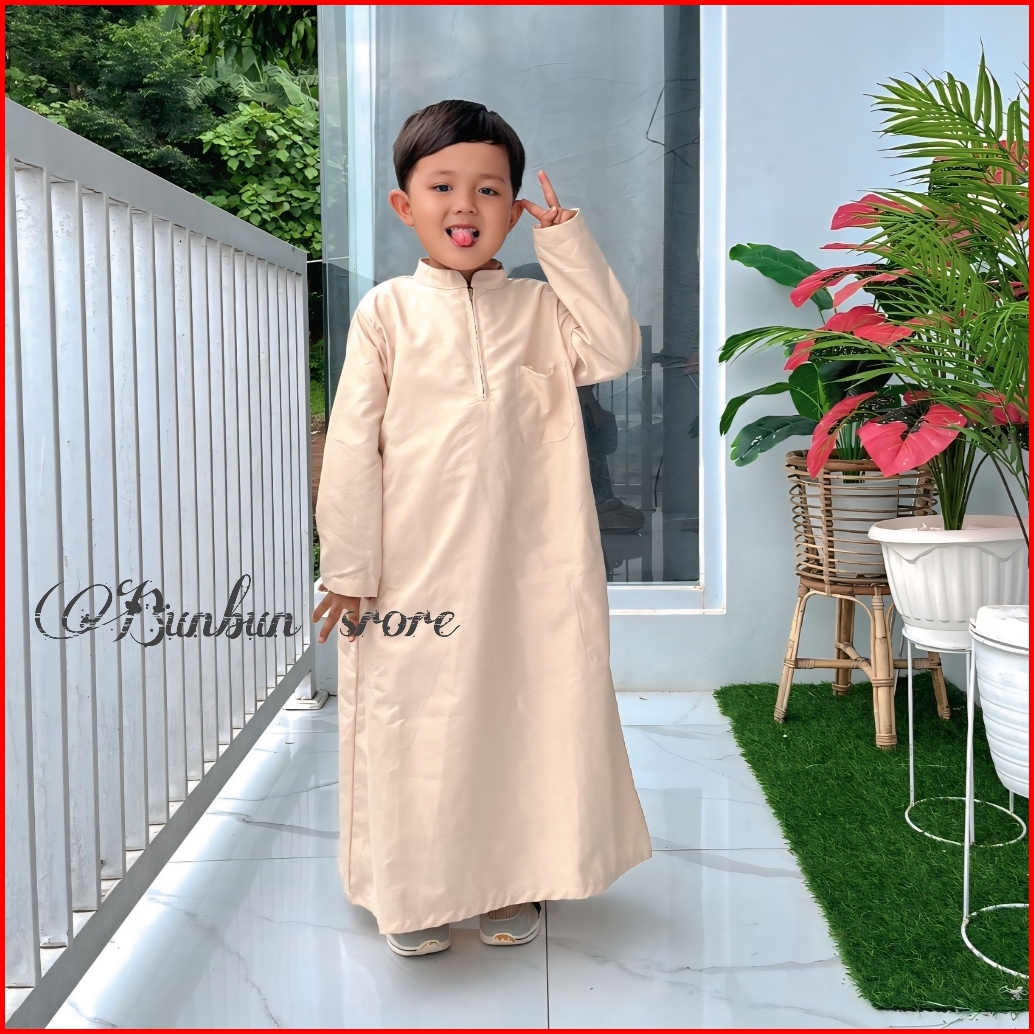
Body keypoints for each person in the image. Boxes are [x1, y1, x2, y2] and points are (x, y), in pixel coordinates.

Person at [312, 99, 651, 958]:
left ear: (512, 209)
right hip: (410, 571)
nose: (465, 205)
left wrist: (566, 244)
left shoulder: (541, 310)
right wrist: (348, 568)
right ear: (405, 205)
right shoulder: (387, 313)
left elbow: (613, 348)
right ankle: (414, 891)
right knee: (415, 728)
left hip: (530, 568)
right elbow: (351, 446)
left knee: (523, 717)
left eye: (490, 189)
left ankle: (512, 878)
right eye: (443, 186)